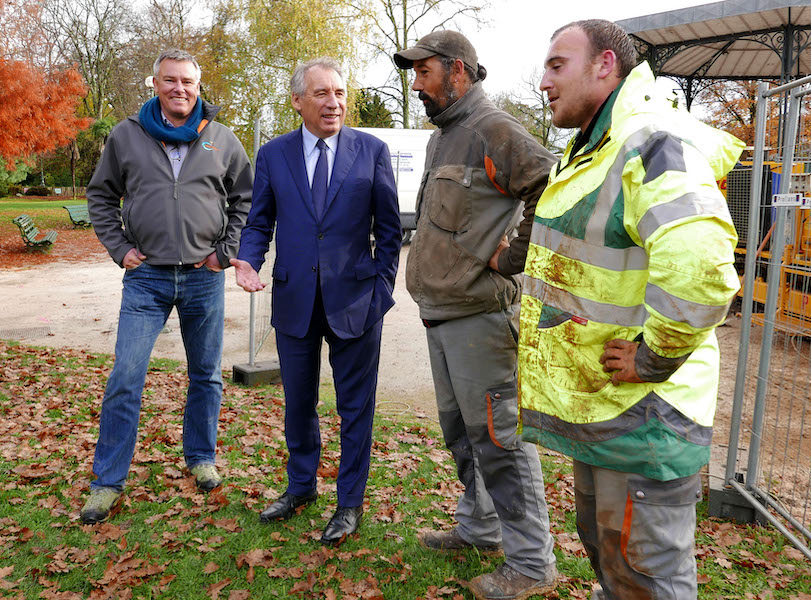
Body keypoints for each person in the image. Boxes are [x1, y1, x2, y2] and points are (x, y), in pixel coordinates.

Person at [517, 20, 743, 600]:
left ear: (605, 65)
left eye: (557, 65)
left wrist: (653, 357)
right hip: (608, 408)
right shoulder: (596, 146)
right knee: (610, 555)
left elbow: (701, 268)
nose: (543, 80)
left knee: (646, 573)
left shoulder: (649, 141)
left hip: (645, 410)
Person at [393, 31, 558, 600]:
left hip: (481, 320)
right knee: (462, 434)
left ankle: (532, 563)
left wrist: (513, 257)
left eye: (424, 73)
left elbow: (550, 187)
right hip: (444, 315)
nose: (416, 84)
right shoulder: (448, 132)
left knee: (500, 440)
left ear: (457, 71)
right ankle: (480, 526)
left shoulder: (495, 129)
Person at [231, 57, 401, 546]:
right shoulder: (274, 155)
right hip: (294, 301)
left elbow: (389, 230)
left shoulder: (372, 150)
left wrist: (380, 289)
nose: (334, 103)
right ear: (297, 101)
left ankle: (349, 503)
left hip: (357, 304)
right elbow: (259, 221)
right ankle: (301, 487)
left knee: (355, 408)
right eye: (322, 94)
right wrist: (248, 259)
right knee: (298, 404)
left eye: (340, 93)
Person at [81, 49, 253, 524]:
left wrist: (224, 251)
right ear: (155, 84)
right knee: (126, 377)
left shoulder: (220, 138)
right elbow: (100, 194)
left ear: (199, 87)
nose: (180, 89)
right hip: (147, 279)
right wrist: (119, 248)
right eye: (171, 81)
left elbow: (245, 199)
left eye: (189, 82)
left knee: (207, 375)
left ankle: (200, 458)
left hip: (203, 278)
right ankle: (107, 482)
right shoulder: (126, 136)